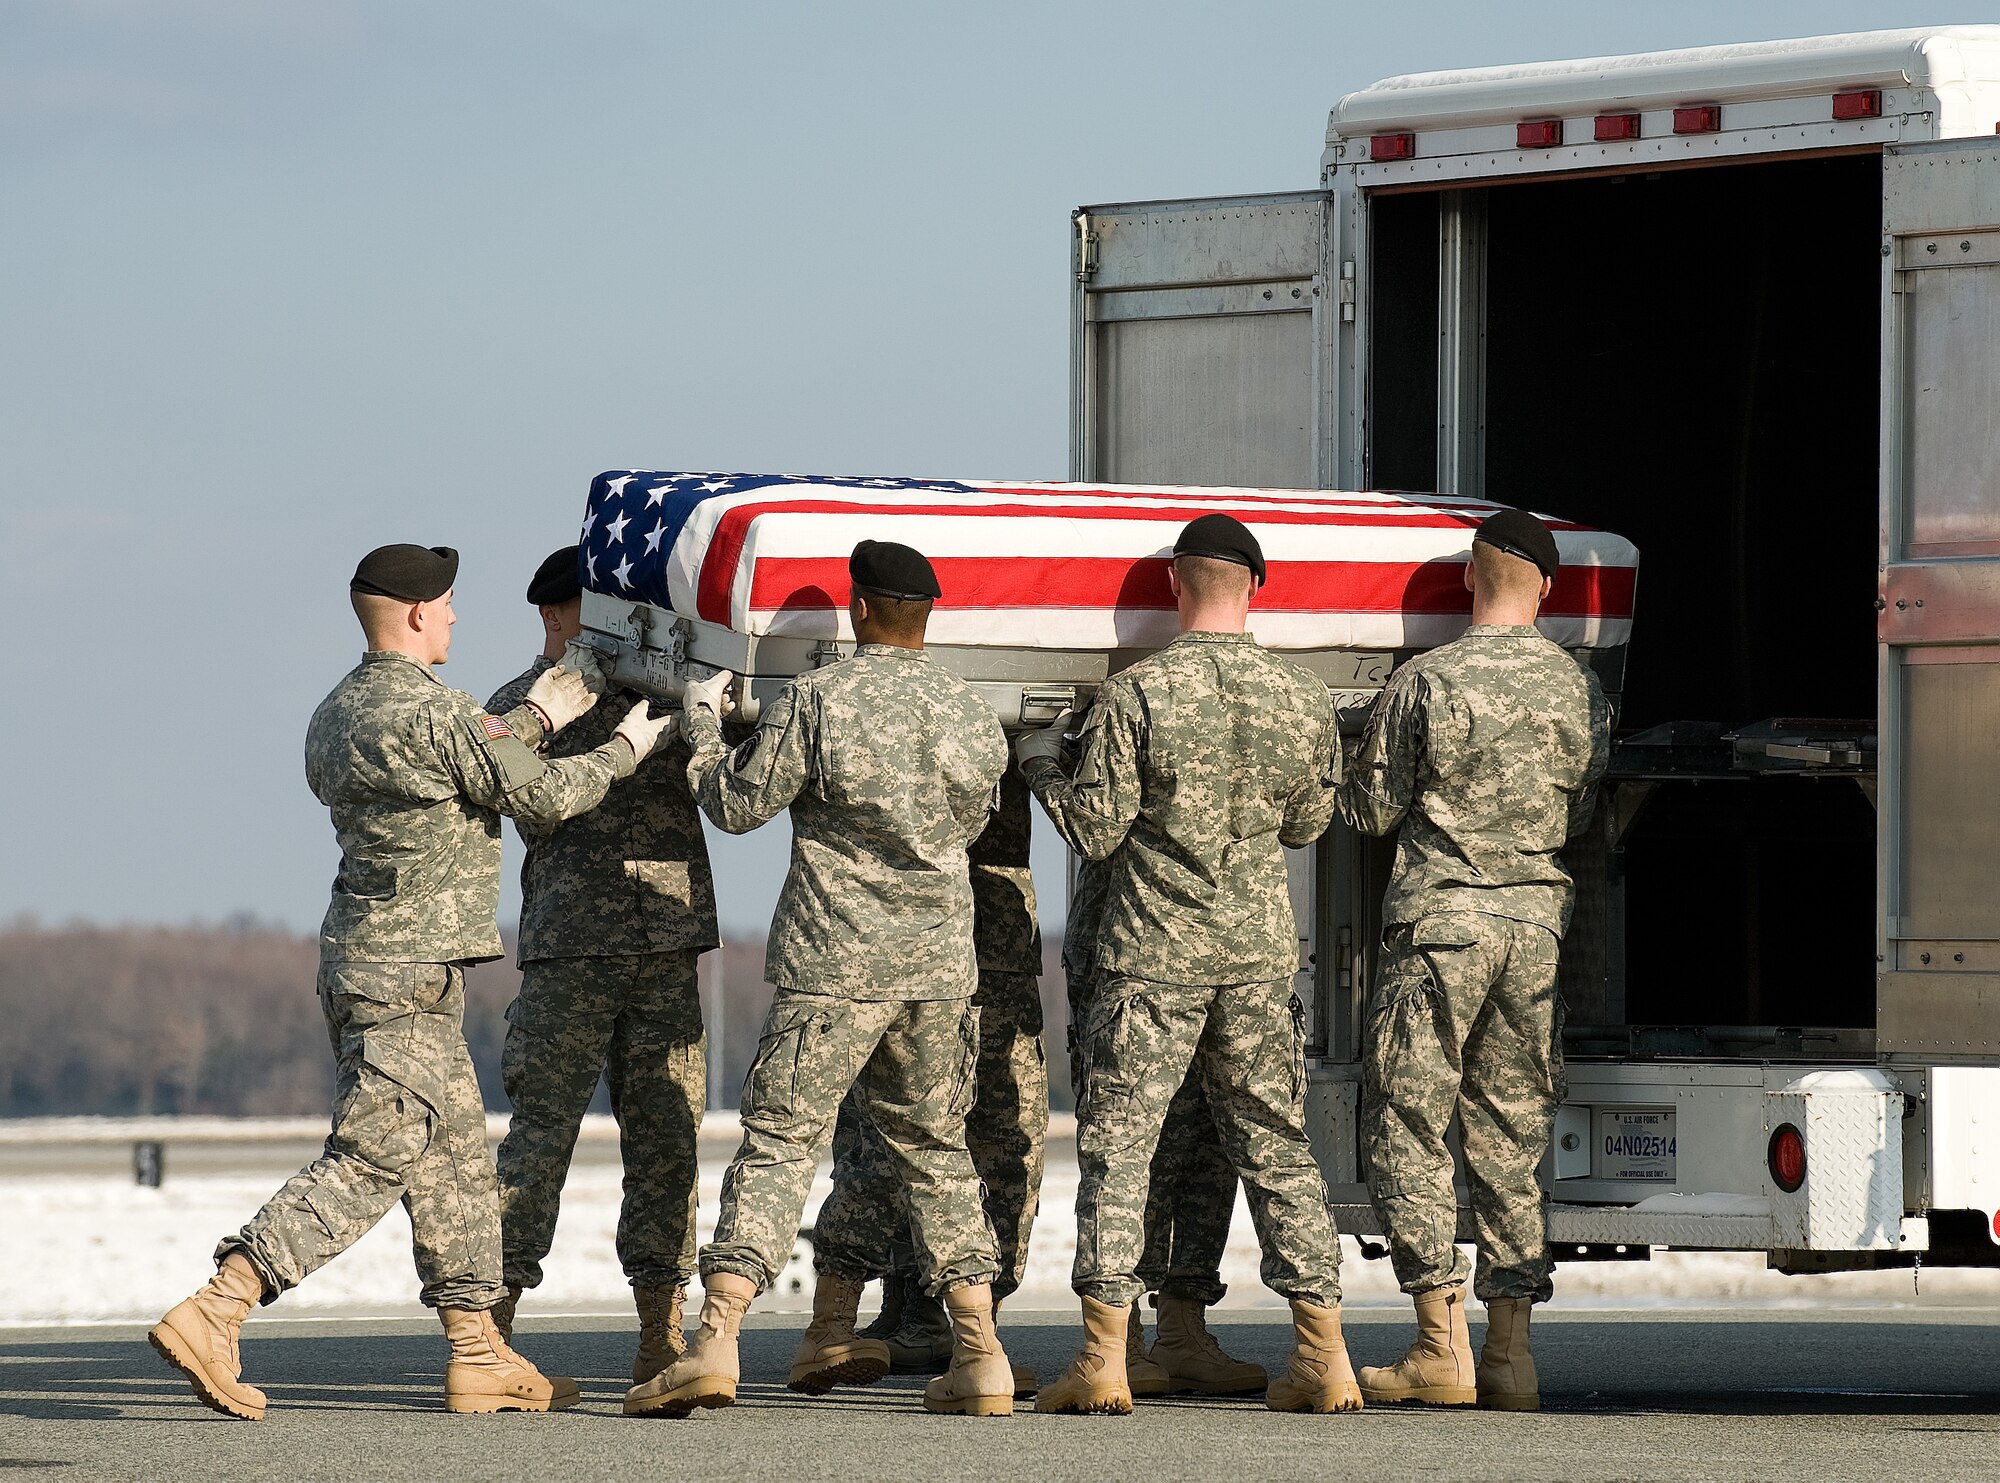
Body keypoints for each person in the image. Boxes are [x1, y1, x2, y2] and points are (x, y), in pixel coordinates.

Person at [150, 543, 677, 1419]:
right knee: (376, 1153)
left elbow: (468, 759)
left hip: (370, 961)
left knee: (456, 1165)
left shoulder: (335, 715)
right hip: (407, 973)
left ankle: (480, 1350)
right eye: (450, 603)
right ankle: (221, 1303)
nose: (458, 617)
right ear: (421, 613)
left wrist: (534, 714)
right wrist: (624, 747)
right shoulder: (437, 711)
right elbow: (540, 794)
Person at [624, 539, 1018, 1420]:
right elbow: (970, 821)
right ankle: (983, 1354)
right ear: (927, 616)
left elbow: (735, 805)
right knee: (937, 1152)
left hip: (833, 966)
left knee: (780, 1143)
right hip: (938, 972)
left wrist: (700, 729)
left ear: (860, 608)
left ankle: (716, 1340)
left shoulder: (816, 700)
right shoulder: (970, 712)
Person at [1016, 513, 1359, 1416]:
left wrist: (1042, 763)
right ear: (1258, 588)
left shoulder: (1136, 695)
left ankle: (1104, 1357)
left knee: (1121, 1152)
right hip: (1254, 963)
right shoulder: (1301, 699)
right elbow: (1306, 824)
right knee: (1276, 1148)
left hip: (1151, 961)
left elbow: (1094, 830)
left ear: (1175, 584)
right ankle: (1324, 1353)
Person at [1339, 508, 1610, 1413]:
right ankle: (1510, 1354)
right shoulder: (1579, 690)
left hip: (1442, 926)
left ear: (1468, 577)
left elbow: (1371, 812)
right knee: (1511, 1133)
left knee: (1408, 1122)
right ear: (1549, 588)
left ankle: (1437, 1342)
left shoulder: (1428, 679)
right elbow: (1579, 814)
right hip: (1534, 931)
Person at [485, 546, 719, 1385]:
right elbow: (529, 806)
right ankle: (489, 1327)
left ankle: (662, 1330)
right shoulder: (517, 709)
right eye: (596, 609)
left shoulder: (665, 694)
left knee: (667, 1142)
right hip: (572, 949)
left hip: (664, 942)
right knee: (539, 1142)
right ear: (554, 615)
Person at [815, 766, 1048, 1392]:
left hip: (991, 935)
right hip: (896, 934)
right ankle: (909, 1308)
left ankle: (974, 1320)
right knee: (889, 1131)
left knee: (1003, 1136)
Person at [1063, 854, 1265, 1398]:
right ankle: (1122, 1334)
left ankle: (1183, 1327)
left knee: (1211, 1139)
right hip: (1133, 945)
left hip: (1222, 945)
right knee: (1136, 1144)